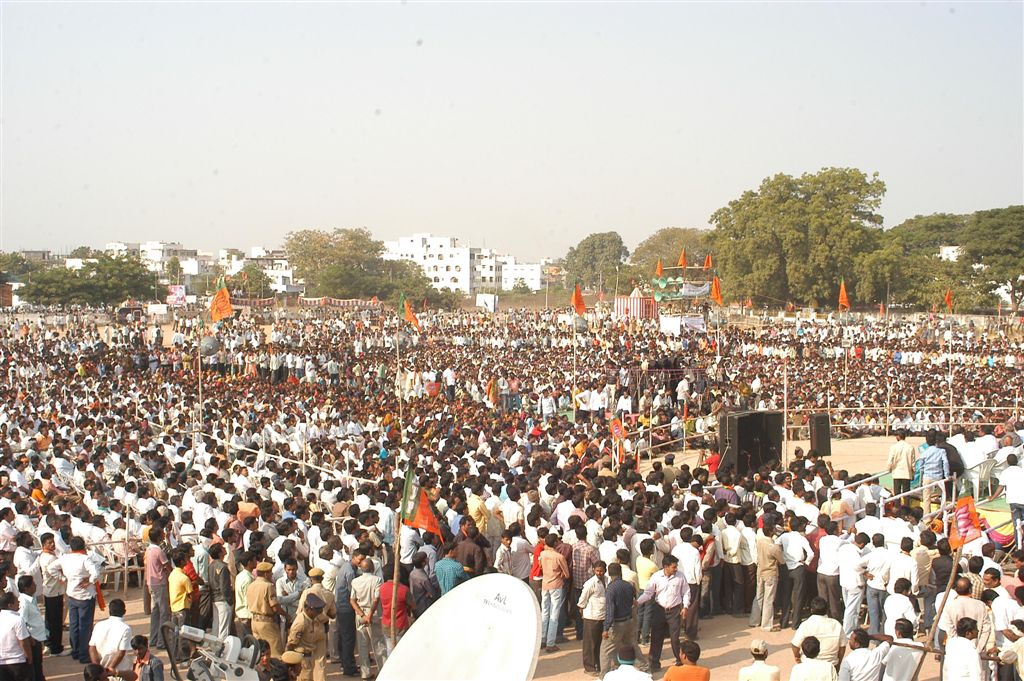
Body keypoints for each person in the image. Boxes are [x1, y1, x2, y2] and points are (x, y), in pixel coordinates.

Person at [46, 536, 100, 664]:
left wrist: (63, 578)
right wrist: (90, 581)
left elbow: (51, 568)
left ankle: (76, 651)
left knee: (74, 625)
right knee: (85, 626)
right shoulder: (84, 558)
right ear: (83, 546)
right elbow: (96, 573)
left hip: (72, 594)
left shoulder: (65, 558)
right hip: (85, 596)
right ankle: (83, 654)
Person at [637, 555, 689, 672]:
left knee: (675, 638)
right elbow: (648, 593)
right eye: (673, 567)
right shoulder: (656, 577)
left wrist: (685, 607)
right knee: (656, 637)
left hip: (674, 610)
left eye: (676, 567)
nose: (676, 569)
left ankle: (680, 660)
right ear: (666, 566)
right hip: (659, 609)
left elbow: (686, 592)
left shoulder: (681, 577)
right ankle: (654, 663)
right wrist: (637, 602)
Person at [601, 563, 648, 676]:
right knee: (632, 645)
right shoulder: (628, 585)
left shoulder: (610, 589)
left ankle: (604, 676)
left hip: (617, 624)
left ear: (609, 573)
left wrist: (606, 628)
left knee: (606, 651)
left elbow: (610, 610)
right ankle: (644, 668)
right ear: (620, 572)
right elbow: (633, 601)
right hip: (629, 621)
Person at [349, 557, 386, 681]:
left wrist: (361, 615)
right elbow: (376, 599)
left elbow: (352, 600)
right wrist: (369, 615)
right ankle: (383, 670)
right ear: (373, 568)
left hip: (360, 615)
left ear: (361, 568)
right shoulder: (377, 580)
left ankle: (365, 673)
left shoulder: (355, 581)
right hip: (373, 614)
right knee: (378, 643)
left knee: (362, 644)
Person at [538, 533, 570, 654]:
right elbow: (567, 574)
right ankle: (550, 643)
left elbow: (540, 566)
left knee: (544, 612)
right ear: (556, 542)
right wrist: (560, 574)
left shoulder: (543, 554)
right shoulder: (559, 557)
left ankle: (543, 639)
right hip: (556, 585)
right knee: (554, 614)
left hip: (545, 584)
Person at [791, 598, 846, 667]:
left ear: (811, 610)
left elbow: (795, 645)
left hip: (808, 664)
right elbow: (842, 646)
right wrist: (838, 662)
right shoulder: (836, 624)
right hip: (831, 665)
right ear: (826, 610)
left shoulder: (806, 625)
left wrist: (797, 657)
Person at [285, 593, 328, 681]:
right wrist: (291, 665)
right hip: (302, 660)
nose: (319, 613)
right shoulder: (301, 623)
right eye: (317, 611)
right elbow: (290, 644)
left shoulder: (311, 618)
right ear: (309, 609)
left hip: (308, 657)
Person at [247, 562, 286, 658]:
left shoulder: (251, 585)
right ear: (265, 574)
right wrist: (286, 615)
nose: (272, 574)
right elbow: (275, 607)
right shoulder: (268, 586)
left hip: (254, 621)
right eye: (270, 572)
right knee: (275, 652)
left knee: (260, 652)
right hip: (267, 623)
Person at [751, 521, 784, 632]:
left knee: (758, 596)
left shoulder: (759, 541)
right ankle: (766, 625)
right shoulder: (773, 547)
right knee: (769, 599)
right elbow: (782, 561)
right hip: (770, 573)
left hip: (760, 571)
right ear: (771, 532)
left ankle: (754, 620)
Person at [35, 534, 64, 657]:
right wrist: (63, 578)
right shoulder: (49, 558)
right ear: (43, 545)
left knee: (50, 620)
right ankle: (56, 648)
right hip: (53, 591)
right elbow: (53, 571)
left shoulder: (45, 555)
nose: (52, 544)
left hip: (50, 590)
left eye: (53, 542)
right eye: (49, 543)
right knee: (55, 621)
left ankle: (50, 643)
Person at [88, 599, 133, 677]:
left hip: (100, 671)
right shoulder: (126, 628)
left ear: (109, 611)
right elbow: (121, 653)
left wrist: (98, 669)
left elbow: (92, 648)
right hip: (118, 670)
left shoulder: (99, 625)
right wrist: (109, 669)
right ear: (124, 612)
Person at [577, 560, 607, 676]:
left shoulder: (607, 580)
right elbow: (582, 600)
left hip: (603, 615)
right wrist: (583, 610)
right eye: (597, 570)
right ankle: (589, 667)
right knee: (590, 643)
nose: (599, 573)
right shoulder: (590, 583)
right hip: (591, 617)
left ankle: (599, 665)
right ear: (593, 570)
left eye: (601, 571)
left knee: (600, 642)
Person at [143, 528, 171, 651]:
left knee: (156, 612)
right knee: (164, 612)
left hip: (152, 583)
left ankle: (154, 638)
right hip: (159, 583)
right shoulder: (158, 551)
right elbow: (167, 566)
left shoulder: (149, 549)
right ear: (159, 537)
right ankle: (161, 641)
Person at [17, 576, 45, 681]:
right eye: (33, 584)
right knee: (36, 666)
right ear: (26, 588)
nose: (35, 585)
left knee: (38, 664)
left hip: (37, 637)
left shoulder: (31, 599)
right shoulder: (24, 603)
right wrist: (30, 639)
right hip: (33, 639)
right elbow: (22, 622)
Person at [0, 592, 32, 681]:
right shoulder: (18, 620)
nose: (19, 603)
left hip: (2, 663)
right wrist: (29, 657)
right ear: (10, 605)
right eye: (17, 601)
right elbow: (23, 642)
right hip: (18, 662)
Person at [943, 617, 982, 681]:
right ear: (968, 633)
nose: (978, 631)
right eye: (975, 629)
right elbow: (977, 674)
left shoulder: (951, 645)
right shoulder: (971, 650)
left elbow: (946, 669)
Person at [207, 544, 233, 642]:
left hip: (215, 598)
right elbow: (224, 587)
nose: (225, 549)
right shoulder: (223, 567)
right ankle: (222, 650)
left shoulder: (211, 565)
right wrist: (229, 600)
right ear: (219, 553)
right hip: (223, 599)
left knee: (216, 625)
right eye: (222, 549)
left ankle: (214, 647)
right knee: (224, 628)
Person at [887, 431, 916, 496]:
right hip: (907, 473)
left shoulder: (893, 447)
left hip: (897, 473)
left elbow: (890, 460)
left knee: (897, 494)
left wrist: (889, 469)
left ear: (898, 436)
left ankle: (897, 506)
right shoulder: (910, 447)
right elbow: (913, 462)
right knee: (906, 493)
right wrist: (913, 472)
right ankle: (906, 506)